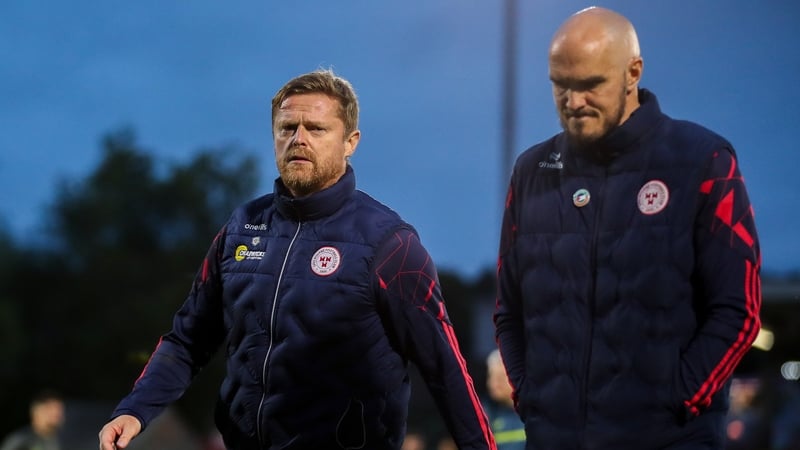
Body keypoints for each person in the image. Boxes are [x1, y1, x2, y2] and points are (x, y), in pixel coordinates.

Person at [98, 69, 496, 450]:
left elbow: (444, 367)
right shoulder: (241, 229)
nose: (299, 139)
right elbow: (187, 340)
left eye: (316, 129)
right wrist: (136, 408)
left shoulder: (390, 244)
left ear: (350, 142)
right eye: (287, 128)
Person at [493, 6, 761, 449]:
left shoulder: (703, 161)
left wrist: (676, 401)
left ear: (633, 72)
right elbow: (509, 311)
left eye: (590, 85)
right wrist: (529, 396)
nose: (573, 102)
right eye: (560, 85)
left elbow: (738, 310)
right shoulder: (531, 171)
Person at [484, 350, 525, 450]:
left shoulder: (535, 412)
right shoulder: (486, 414)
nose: (494, 384)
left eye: (500, 378)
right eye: (491, 376)